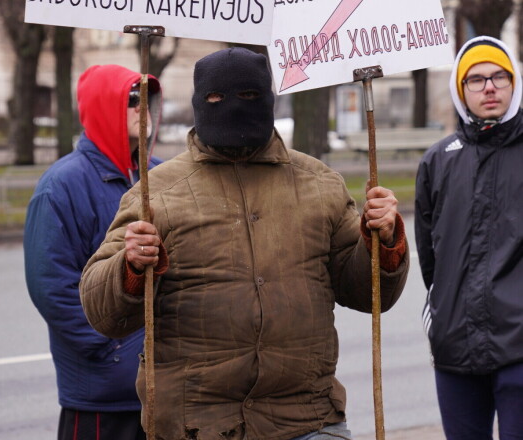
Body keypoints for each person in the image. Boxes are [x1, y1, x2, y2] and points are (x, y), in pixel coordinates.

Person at [80, 47, 409, 440]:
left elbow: (368, 293)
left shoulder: (319, 184)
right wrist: (130, 268)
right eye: (216, 99)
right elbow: (104, 313)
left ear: (268, 99)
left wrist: (382, 241)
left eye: (249, 96)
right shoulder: (157, 193)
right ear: (200, 103)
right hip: (197, 425)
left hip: (306, 417)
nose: (232, 108)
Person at [24, 64, 162, 440]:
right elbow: (51, 286)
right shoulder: (62, 185)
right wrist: (111, 344)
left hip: (164, 391)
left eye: (148, 98)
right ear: (104, 105)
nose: (143, 108)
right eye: (132, 99)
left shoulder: (161, 177)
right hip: (103, 395)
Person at [415, 35, 523, 440]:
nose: (489, 87)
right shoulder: (438, 161)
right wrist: (442, 313)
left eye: (500, 76)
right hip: (455, 349)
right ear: (460, 90)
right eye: (475, 79)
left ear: (515, 83)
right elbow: (430, 258)